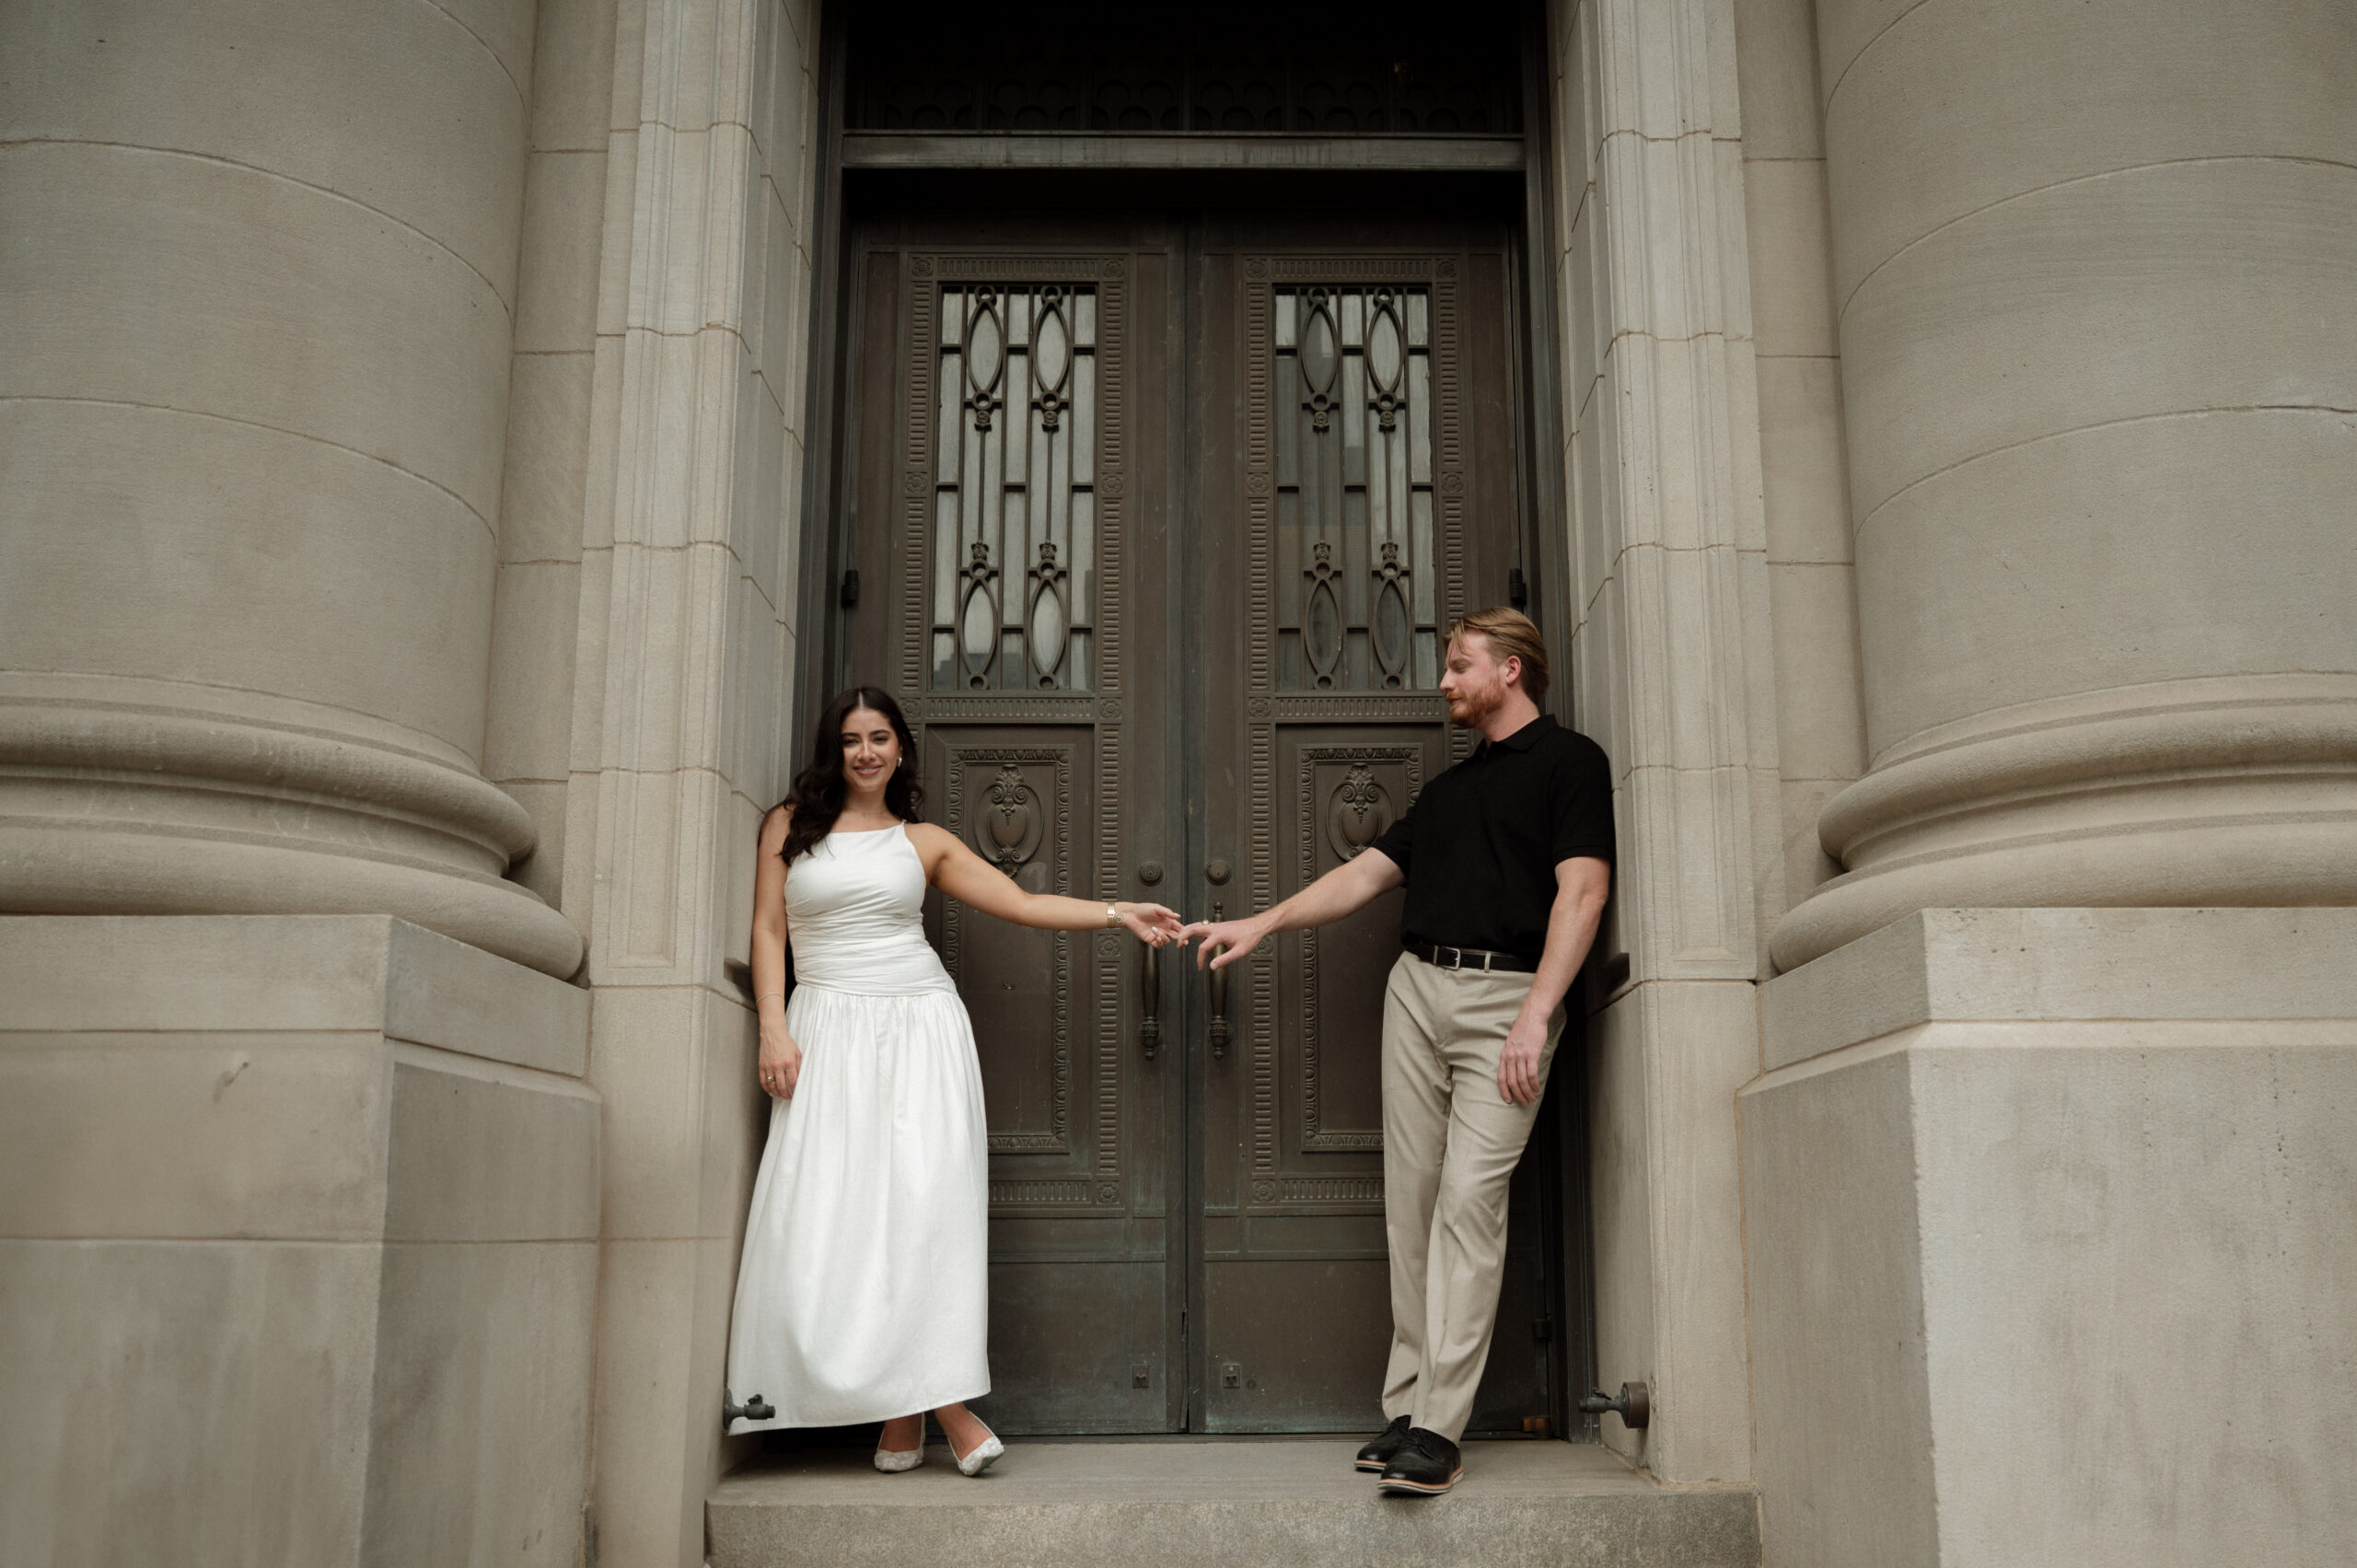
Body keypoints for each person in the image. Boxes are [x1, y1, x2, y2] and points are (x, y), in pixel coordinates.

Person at [1182, 609, 1612, 1496]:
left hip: (1509, 999)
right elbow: (1364, 875)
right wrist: (1262, 923)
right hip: (1416, 991)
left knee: (1468, 1203)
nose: (1444, 681)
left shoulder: (1573, 763)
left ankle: (1440, 1431)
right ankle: (1410, 1404)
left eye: (1460, 665)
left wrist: (1538, 1014)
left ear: (1512, 670)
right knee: (1412, 1206)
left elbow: (1583, 893)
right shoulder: (1449, 790)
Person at [724, 686, 1181, 1475]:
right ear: (833, 749)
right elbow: (768, 928)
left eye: (879, 737)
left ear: (900, 747)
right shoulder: (788, 826)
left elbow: (1021, 902)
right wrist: (773, 1022)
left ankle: (920, 1411)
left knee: (925, 1212)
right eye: (851, 739)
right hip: (825, 1026)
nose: (865, 751)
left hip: (921, 1029)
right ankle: (926, 1408)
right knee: (835, 1209)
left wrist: (1118, 914)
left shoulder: (923, 841)